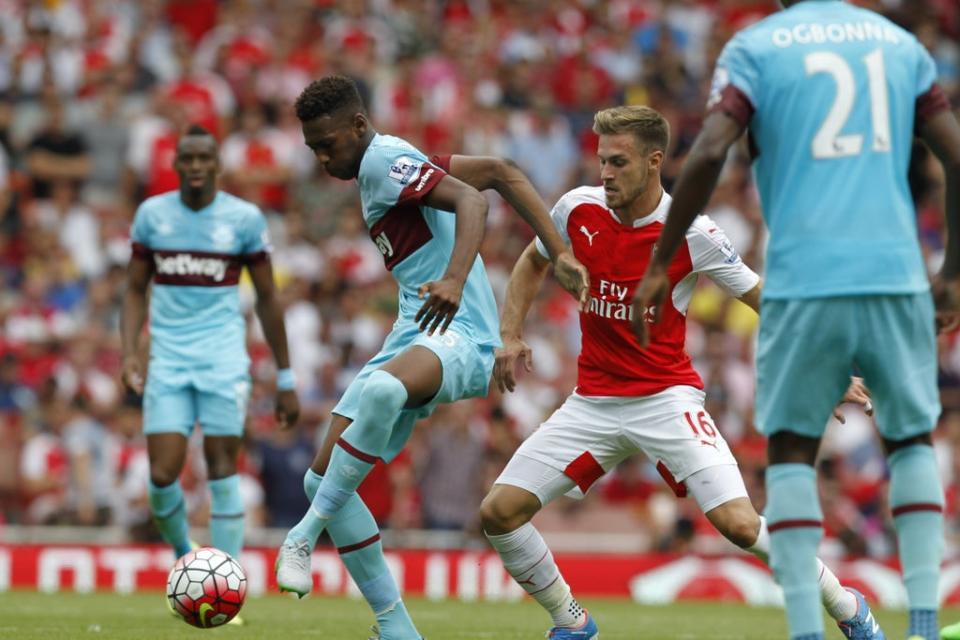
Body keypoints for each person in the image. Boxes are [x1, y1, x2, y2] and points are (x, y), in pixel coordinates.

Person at [483, 105, 878, 640]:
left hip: (667, 399)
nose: (605, 174)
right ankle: (572, 622)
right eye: (601, 161)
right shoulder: (576, 209)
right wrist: (511, 333)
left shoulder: (693, 233)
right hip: (592, 402)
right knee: (499, 513)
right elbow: (533, 262)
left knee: (739, 525)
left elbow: (765, 299)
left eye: (619, 162)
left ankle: (849, 607)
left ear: (654, 161)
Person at [631, 3, 960, 640]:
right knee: (912, 439)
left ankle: (808, 633)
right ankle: (922, 629)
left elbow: (708, 154)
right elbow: (954, 152)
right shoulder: (899, 45)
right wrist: (951, 270)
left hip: (805, 276)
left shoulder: (757, 47)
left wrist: (662, 258)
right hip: (894, 270)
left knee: (790, 451)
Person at [274, 75, 588, 640]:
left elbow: (471, 202)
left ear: (359, 127)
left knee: (380, 394)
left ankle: (304, 534)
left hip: (459, 332)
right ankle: (397, 628)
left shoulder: (382, 160)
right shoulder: (391, 162)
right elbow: (498, 173)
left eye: (329, 144)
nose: (322, 158)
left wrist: (455, 278)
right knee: (319, 475)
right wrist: (559, 252)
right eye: (313, 148)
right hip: (414, 332)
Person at [121, 124, 300, 627]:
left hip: (224, 360)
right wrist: (130, 352)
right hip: (170, 361)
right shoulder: (152, 216)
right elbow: (134, 289)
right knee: (161, 474)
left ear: (217, 165)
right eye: (188, 158)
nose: (196, 166)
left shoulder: (242, 219)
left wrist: (285, 378)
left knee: (224, 468)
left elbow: (267, 297)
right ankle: (188, 555)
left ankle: (228, 587)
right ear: (176, 164)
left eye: (205, 158)